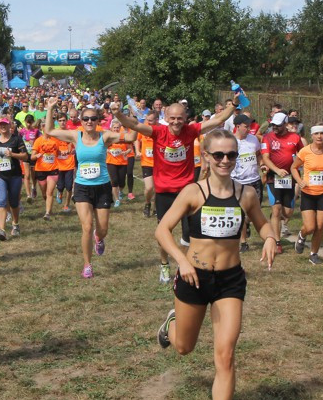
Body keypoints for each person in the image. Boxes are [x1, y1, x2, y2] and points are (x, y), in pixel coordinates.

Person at [155, 128, 277, 400]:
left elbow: (263, 223)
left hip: (230, 281)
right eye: (219, 155)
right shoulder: (193, 192)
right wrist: (181, 260)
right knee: (184, 347)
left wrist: (269, 237)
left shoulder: (246, 194)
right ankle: (172, 325)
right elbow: (162, 229)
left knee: (225, 355)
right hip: (194, 278)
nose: (226, 160)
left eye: (232, 155)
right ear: (206, 157)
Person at [113, 93, 239, 283]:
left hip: (188, 191)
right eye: (172, 118)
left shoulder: (191, 130)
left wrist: (234, 104)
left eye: (180, 118)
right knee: (165, 232)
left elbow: (220, 119)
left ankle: (187, 264)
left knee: (191, 232)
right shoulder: (158, 132)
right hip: (164, 191)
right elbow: (135, 125)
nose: (176, 122)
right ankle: (164, 264)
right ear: (165, 118)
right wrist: (118, 115)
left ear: (186, 117)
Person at [44, 97, 131, 278]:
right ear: (81, 122)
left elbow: (131, 136)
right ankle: (87, 264)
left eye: (93, 118)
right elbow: (49, 130)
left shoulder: (105, 136)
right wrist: (51, 108)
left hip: (102, 187)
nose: (89, 121)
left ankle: (98, 238)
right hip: (83, 187)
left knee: (103, 228)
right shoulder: (76, 135)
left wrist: (119, 115)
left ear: (98, 120)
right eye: (86, 119)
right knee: (86, 226)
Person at [290, 124, 323, 264]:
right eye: (316, 134)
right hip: (308, 192)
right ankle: (302, 234)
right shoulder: (305, 151)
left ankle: (313, 254)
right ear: (312, 136)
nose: (319, 136)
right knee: (310, 227)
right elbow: (293, 167)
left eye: (322, 134)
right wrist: (299, 181)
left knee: (320, 225)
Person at [261, 112, 304, 253]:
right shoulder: (267, 138)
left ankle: (276, 219)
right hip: (274, 177)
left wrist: (296, 167)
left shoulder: (295, 137)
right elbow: (265, 157)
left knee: (287, 212)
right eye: (273, 124)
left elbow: (302, 155)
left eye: (278, 125)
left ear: (285, 125)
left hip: (289, 178)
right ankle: (277, 241)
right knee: (276, 209)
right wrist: (277, 170)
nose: (274, 127)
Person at [0, 117, 29, 240]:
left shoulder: (16, 139)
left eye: (5, 124)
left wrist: (13, 154)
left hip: (14, 175)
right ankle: (2, 230)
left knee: (13, 202)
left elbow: (25, 156)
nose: (3, 127)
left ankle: (15, 224)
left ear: (9, 125)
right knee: (1, 201)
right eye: (0, 124)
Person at [229, 114, 263, 253]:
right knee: (241, 213)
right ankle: (243, 242)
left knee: (254, 211)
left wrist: (262, 165)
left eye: (249, 126)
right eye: (246, 126)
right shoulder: (231, 142)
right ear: (237, 127)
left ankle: (247, 224)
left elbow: (258, 154)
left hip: (254, 180)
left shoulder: (253, 139)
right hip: (238, 182)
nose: (249, 129)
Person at [30, 125, 61, 219]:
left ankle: (47, 213)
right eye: (44, 126)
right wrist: (37, 155)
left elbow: (58, 153)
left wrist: (63, 153)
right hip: (40, 170)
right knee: (44, 193)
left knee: (49, 192)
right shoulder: (38, 141)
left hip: (53, 169)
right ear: (41, 128)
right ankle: (49, 208)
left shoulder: (55, 140)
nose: (46, 128)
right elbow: (32, 157)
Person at [105, 118, 130, 208]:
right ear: (111, 128)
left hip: (122, 162)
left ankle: (120, 191)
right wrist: (108, 150)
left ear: (120, 128)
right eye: (114, 127)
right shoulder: (109, 138)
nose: (116, 129)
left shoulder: (123, 137)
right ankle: (117, 200)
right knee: (114, 181)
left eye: (117, 127)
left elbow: (130, 148)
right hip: (111, 162)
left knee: (122, 182)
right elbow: (103, 147)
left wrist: (126, 152)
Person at [138, 112, 157, 217]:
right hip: (146, 162)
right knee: (149, 187)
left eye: (150, 120)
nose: (148, 122)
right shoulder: (144, 127)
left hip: (159, 162)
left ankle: (156, 208)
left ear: (156, 120)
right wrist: (137, 150)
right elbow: (137, 139)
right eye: (147, 119)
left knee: (159, 188)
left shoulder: (161, 128)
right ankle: (147, 203)